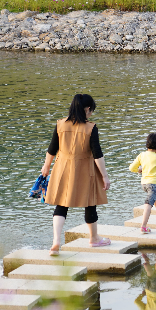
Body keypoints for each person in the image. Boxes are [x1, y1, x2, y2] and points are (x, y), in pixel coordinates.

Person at [42, 93, 111, 255]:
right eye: (91, 110)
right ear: (87, 109)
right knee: (90, 202)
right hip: (84, 170)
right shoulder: (90, 128)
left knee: (61, 204)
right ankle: (94, 238)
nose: (91, 114)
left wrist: (46, 167)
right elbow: (97, 154)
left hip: (62, 169)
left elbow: (52, 149)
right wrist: (105, 176)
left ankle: (56, 241)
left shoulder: (60, 124)